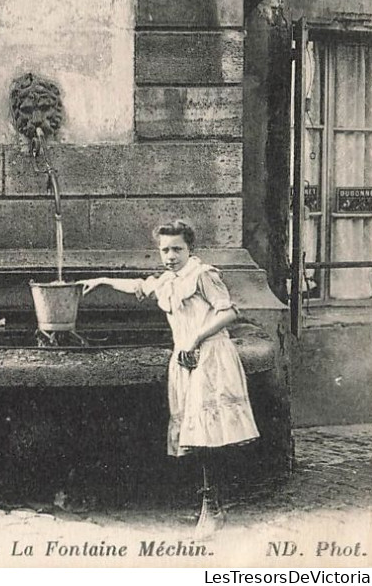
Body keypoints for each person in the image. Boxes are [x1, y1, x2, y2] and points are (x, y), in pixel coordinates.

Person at [80, 220, 259, 526]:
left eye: (177, 248)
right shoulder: (168, 281)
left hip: (211, 355)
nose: (171, 255)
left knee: (208, 433)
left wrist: (195, 338)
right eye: (165, 250)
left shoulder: (203, 275)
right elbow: (139, 286)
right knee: (194, 432)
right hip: (186, 359)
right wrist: (103, 279)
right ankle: (208, 502)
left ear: (191, 249)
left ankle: (212, 507)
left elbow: (229, 311)